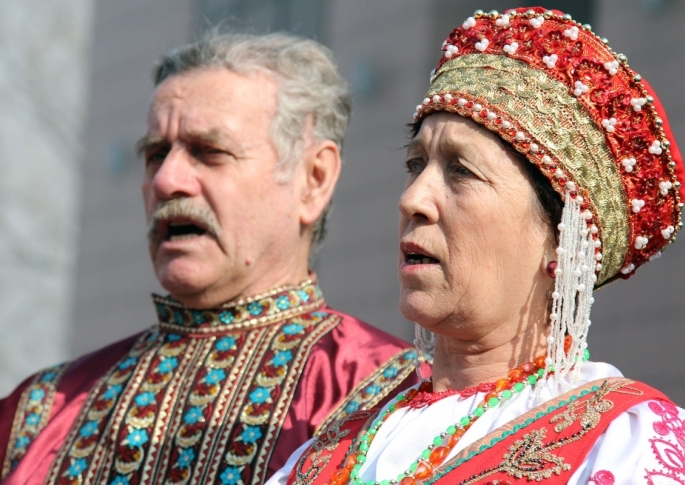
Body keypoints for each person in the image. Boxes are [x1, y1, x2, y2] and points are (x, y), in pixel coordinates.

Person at [269, 7, 685, 485]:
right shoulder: (332, 448)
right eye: (415, 164)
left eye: (461, 171)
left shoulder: (631, 445)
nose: (413, 199)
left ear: (563, 241)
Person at [0, 33, 420, 485]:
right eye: (156, 154)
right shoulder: (39, 412)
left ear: (313, 179)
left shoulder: (393, 401)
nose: (167, 180)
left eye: (209, 152)